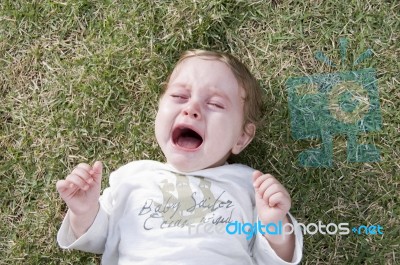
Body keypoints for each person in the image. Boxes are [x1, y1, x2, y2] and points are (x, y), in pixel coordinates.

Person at [56, 49, 303, 264]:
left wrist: (274, 224)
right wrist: (85, 211)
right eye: (179, 97)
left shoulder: (249, 186)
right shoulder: (132, 178)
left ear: (241, 137)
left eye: (216, 104)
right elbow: (98, 240)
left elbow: (274, 258)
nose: (191, 108)